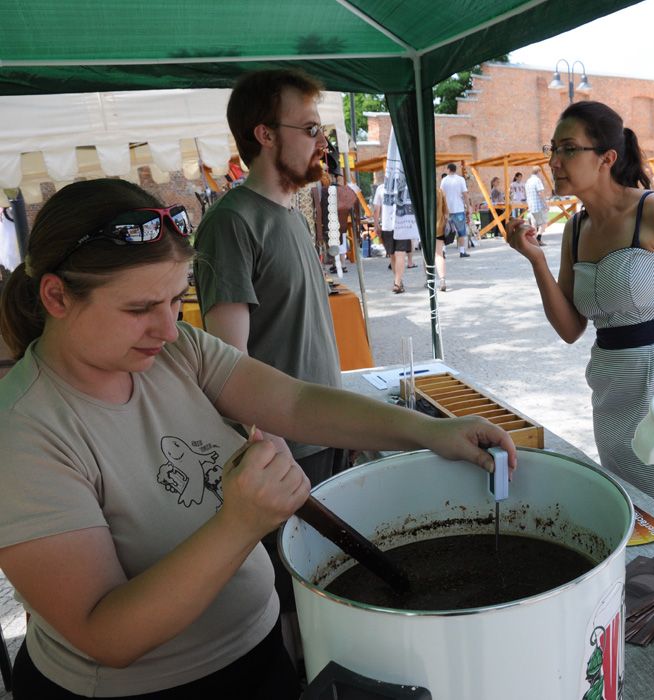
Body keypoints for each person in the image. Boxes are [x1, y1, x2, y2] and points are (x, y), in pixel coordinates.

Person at [0, 178, 518, 699]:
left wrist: (429, 431)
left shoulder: (177, 355)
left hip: (257, 652)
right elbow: (105, 634)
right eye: (139, 309)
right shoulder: (24, 434)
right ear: (56, 296)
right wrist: (241, 523)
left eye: (178, 299)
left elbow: (294, 403)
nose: (169, 328)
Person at [506, 101, 654, 499]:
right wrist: (536, 260)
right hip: (612, 393)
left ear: (606, 158)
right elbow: (570, 329)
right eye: (552, 149)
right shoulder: (575, 230)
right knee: (638, 511)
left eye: (568, 149)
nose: (554, 161)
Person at [191, 69, 345, 647]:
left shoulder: (290, 212)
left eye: (319, 126)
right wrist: (262, 440)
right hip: (284, 449)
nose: (320, 139)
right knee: (288, 598)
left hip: (321, 435)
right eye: (308, 127)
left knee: (327, 584)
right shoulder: (231, 223)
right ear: (265, 134)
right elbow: (227, 364)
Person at [440, 163, 472, 257]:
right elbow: (465, 194)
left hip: (447, 210)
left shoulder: (444, 180)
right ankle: (462, 251)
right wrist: (468, 206)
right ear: (455, 170)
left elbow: (441, 195)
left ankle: (443, 251)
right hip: (458, 208)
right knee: (461, 231)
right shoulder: (460, 179)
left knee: (445, 231)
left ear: (448, 169)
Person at [525, 166, 549, 246]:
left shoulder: (528, 181)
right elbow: (540, 193)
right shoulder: (537, 180)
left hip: (531, 206)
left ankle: (534, 241)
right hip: (538, 206)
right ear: (538, 171)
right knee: (544, 223)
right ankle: (538, 239)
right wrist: (546, 204)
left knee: (534, 225)